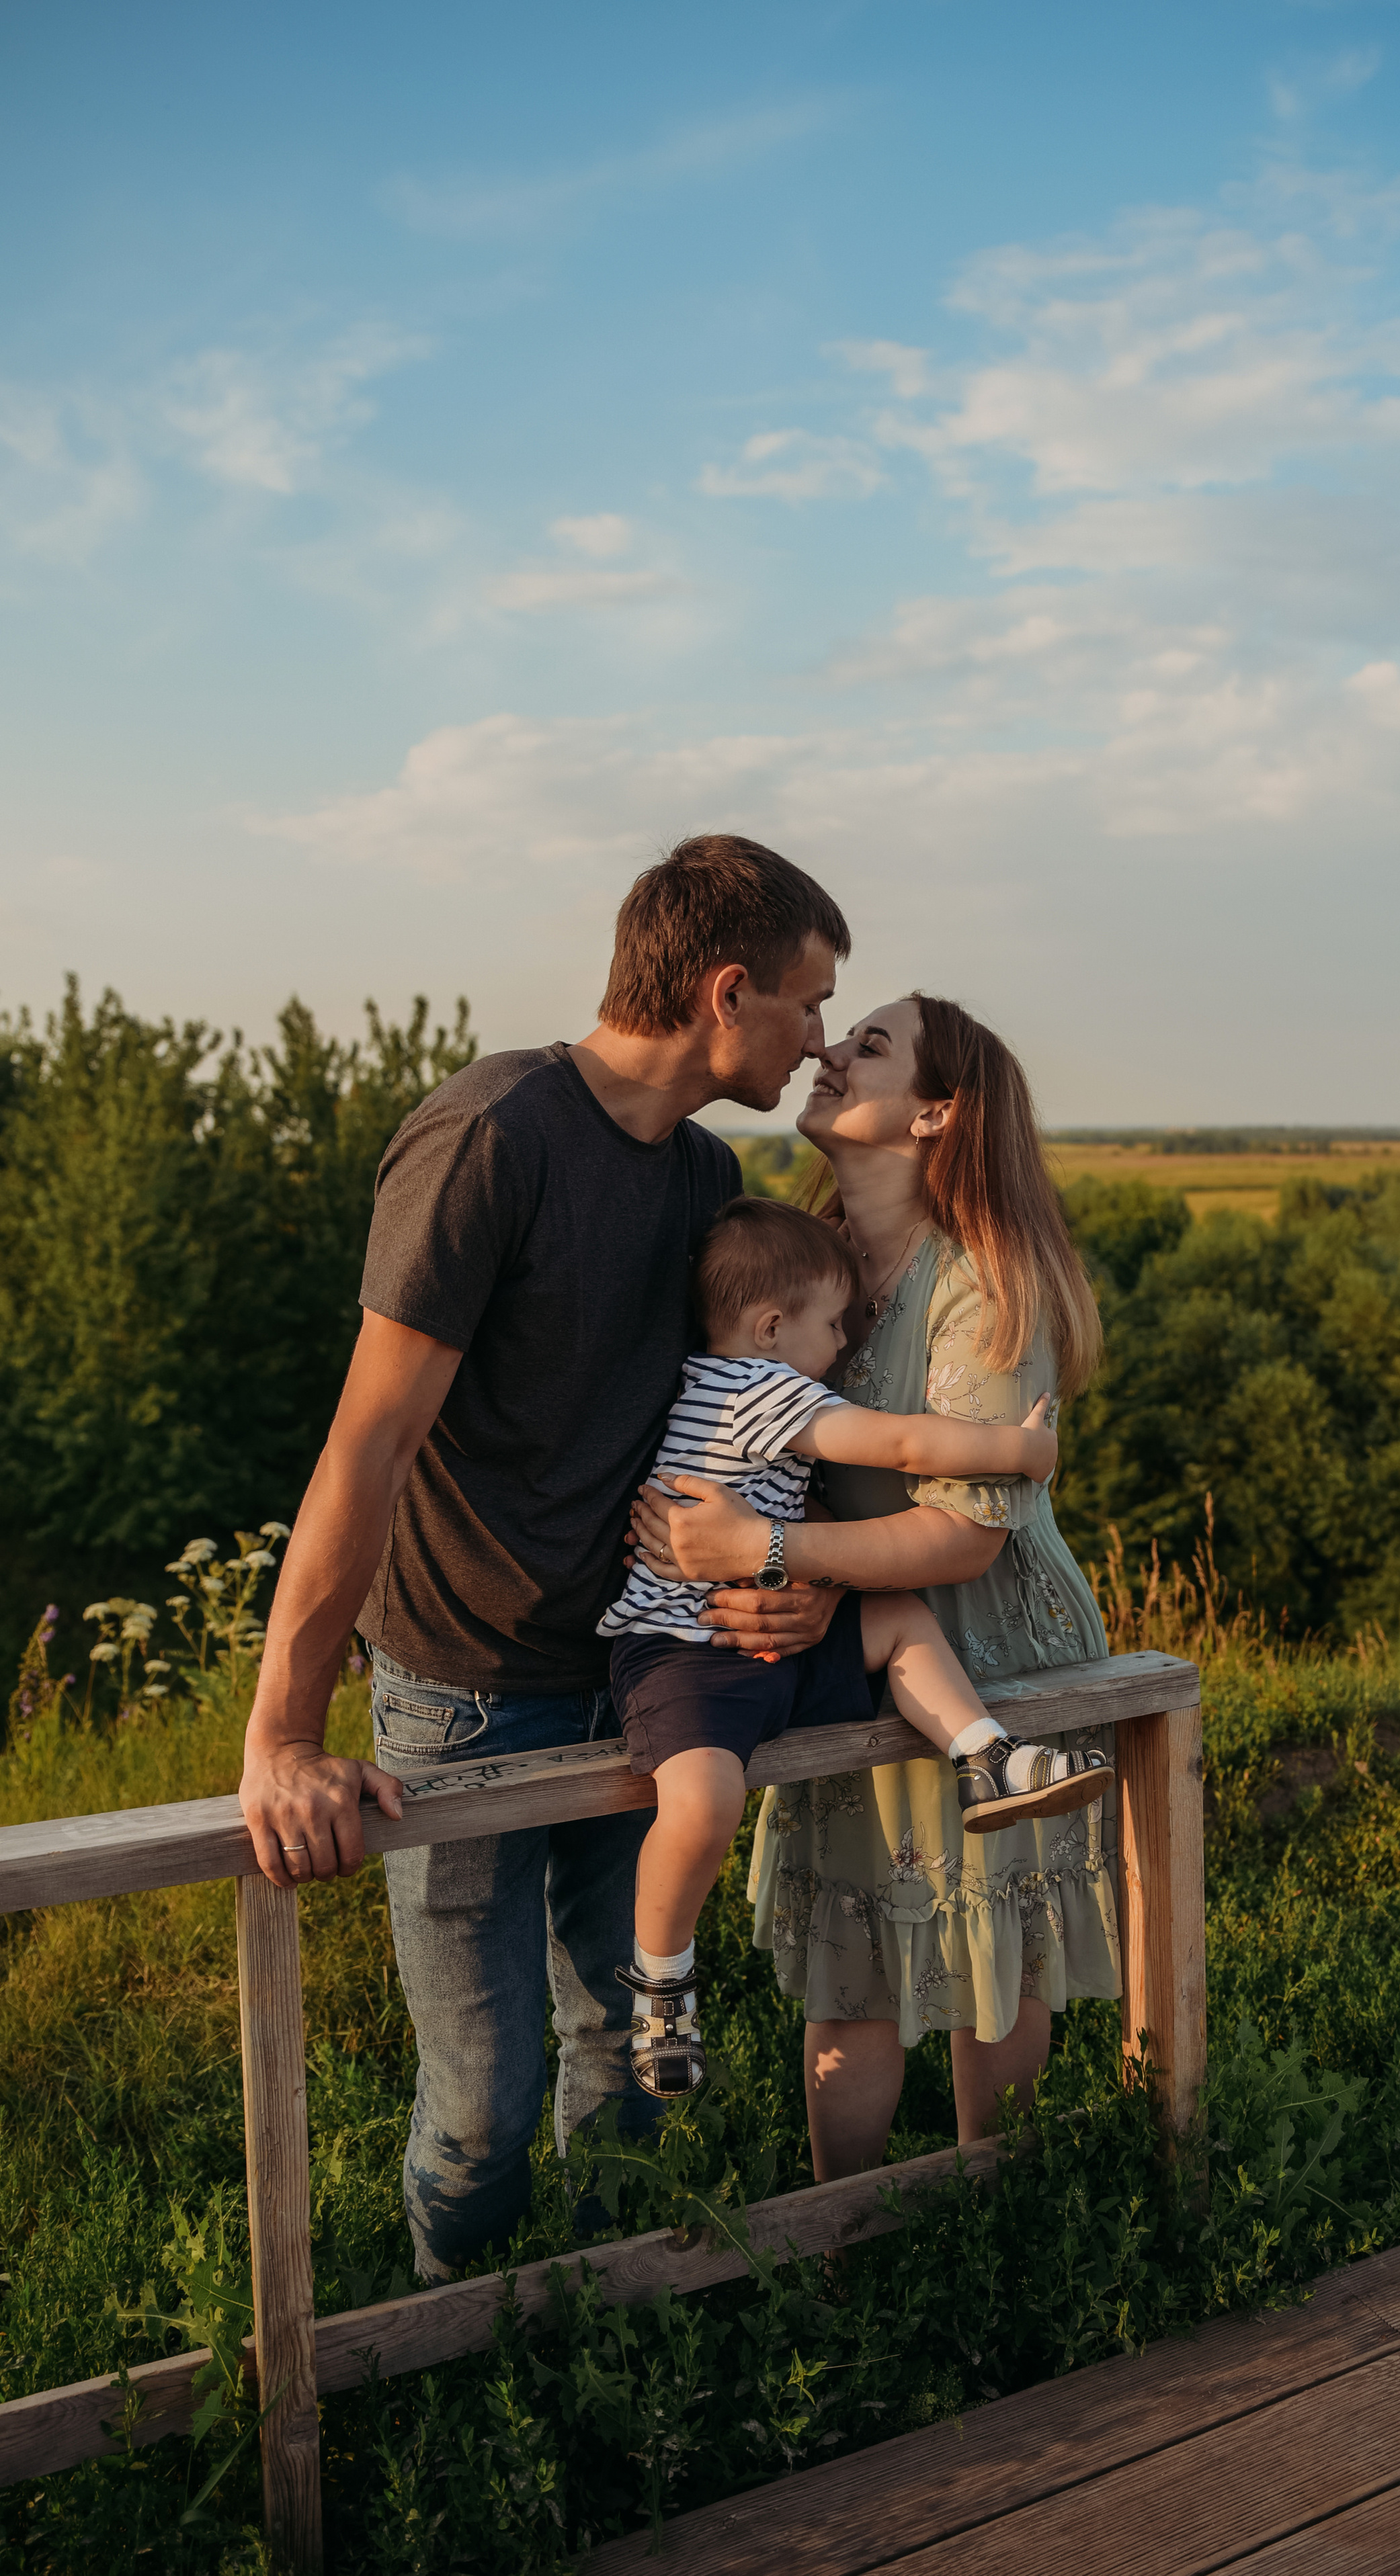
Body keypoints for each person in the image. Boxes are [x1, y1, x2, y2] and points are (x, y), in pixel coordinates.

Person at [237, 834, 860, 2282]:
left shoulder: (705, 1178)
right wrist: (281, 1733)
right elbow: (366, 1447)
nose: (818, 1038)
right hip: (462, 1696)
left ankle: (583, 2346)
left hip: (640, 1679)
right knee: (481, 2110)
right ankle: (457, 2372)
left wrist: (790, 1574)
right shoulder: (492, 1138)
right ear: (725, 991)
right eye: (809, 1002)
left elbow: (733, 1429)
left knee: (622, 2071)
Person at [628, 992, 1114, 2182]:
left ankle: (989, 2237)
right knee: (854, 1970)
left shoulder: (985, 1287)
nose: (830, 1051)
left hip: (986, 1658)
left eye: (871, 1045)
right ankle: (848, 2264)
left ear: (937, 1112)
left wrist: (775, 1559)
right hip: (835, 1650)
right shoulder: (804, 1264)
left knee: (991, 1967)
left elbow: (963, 1541)